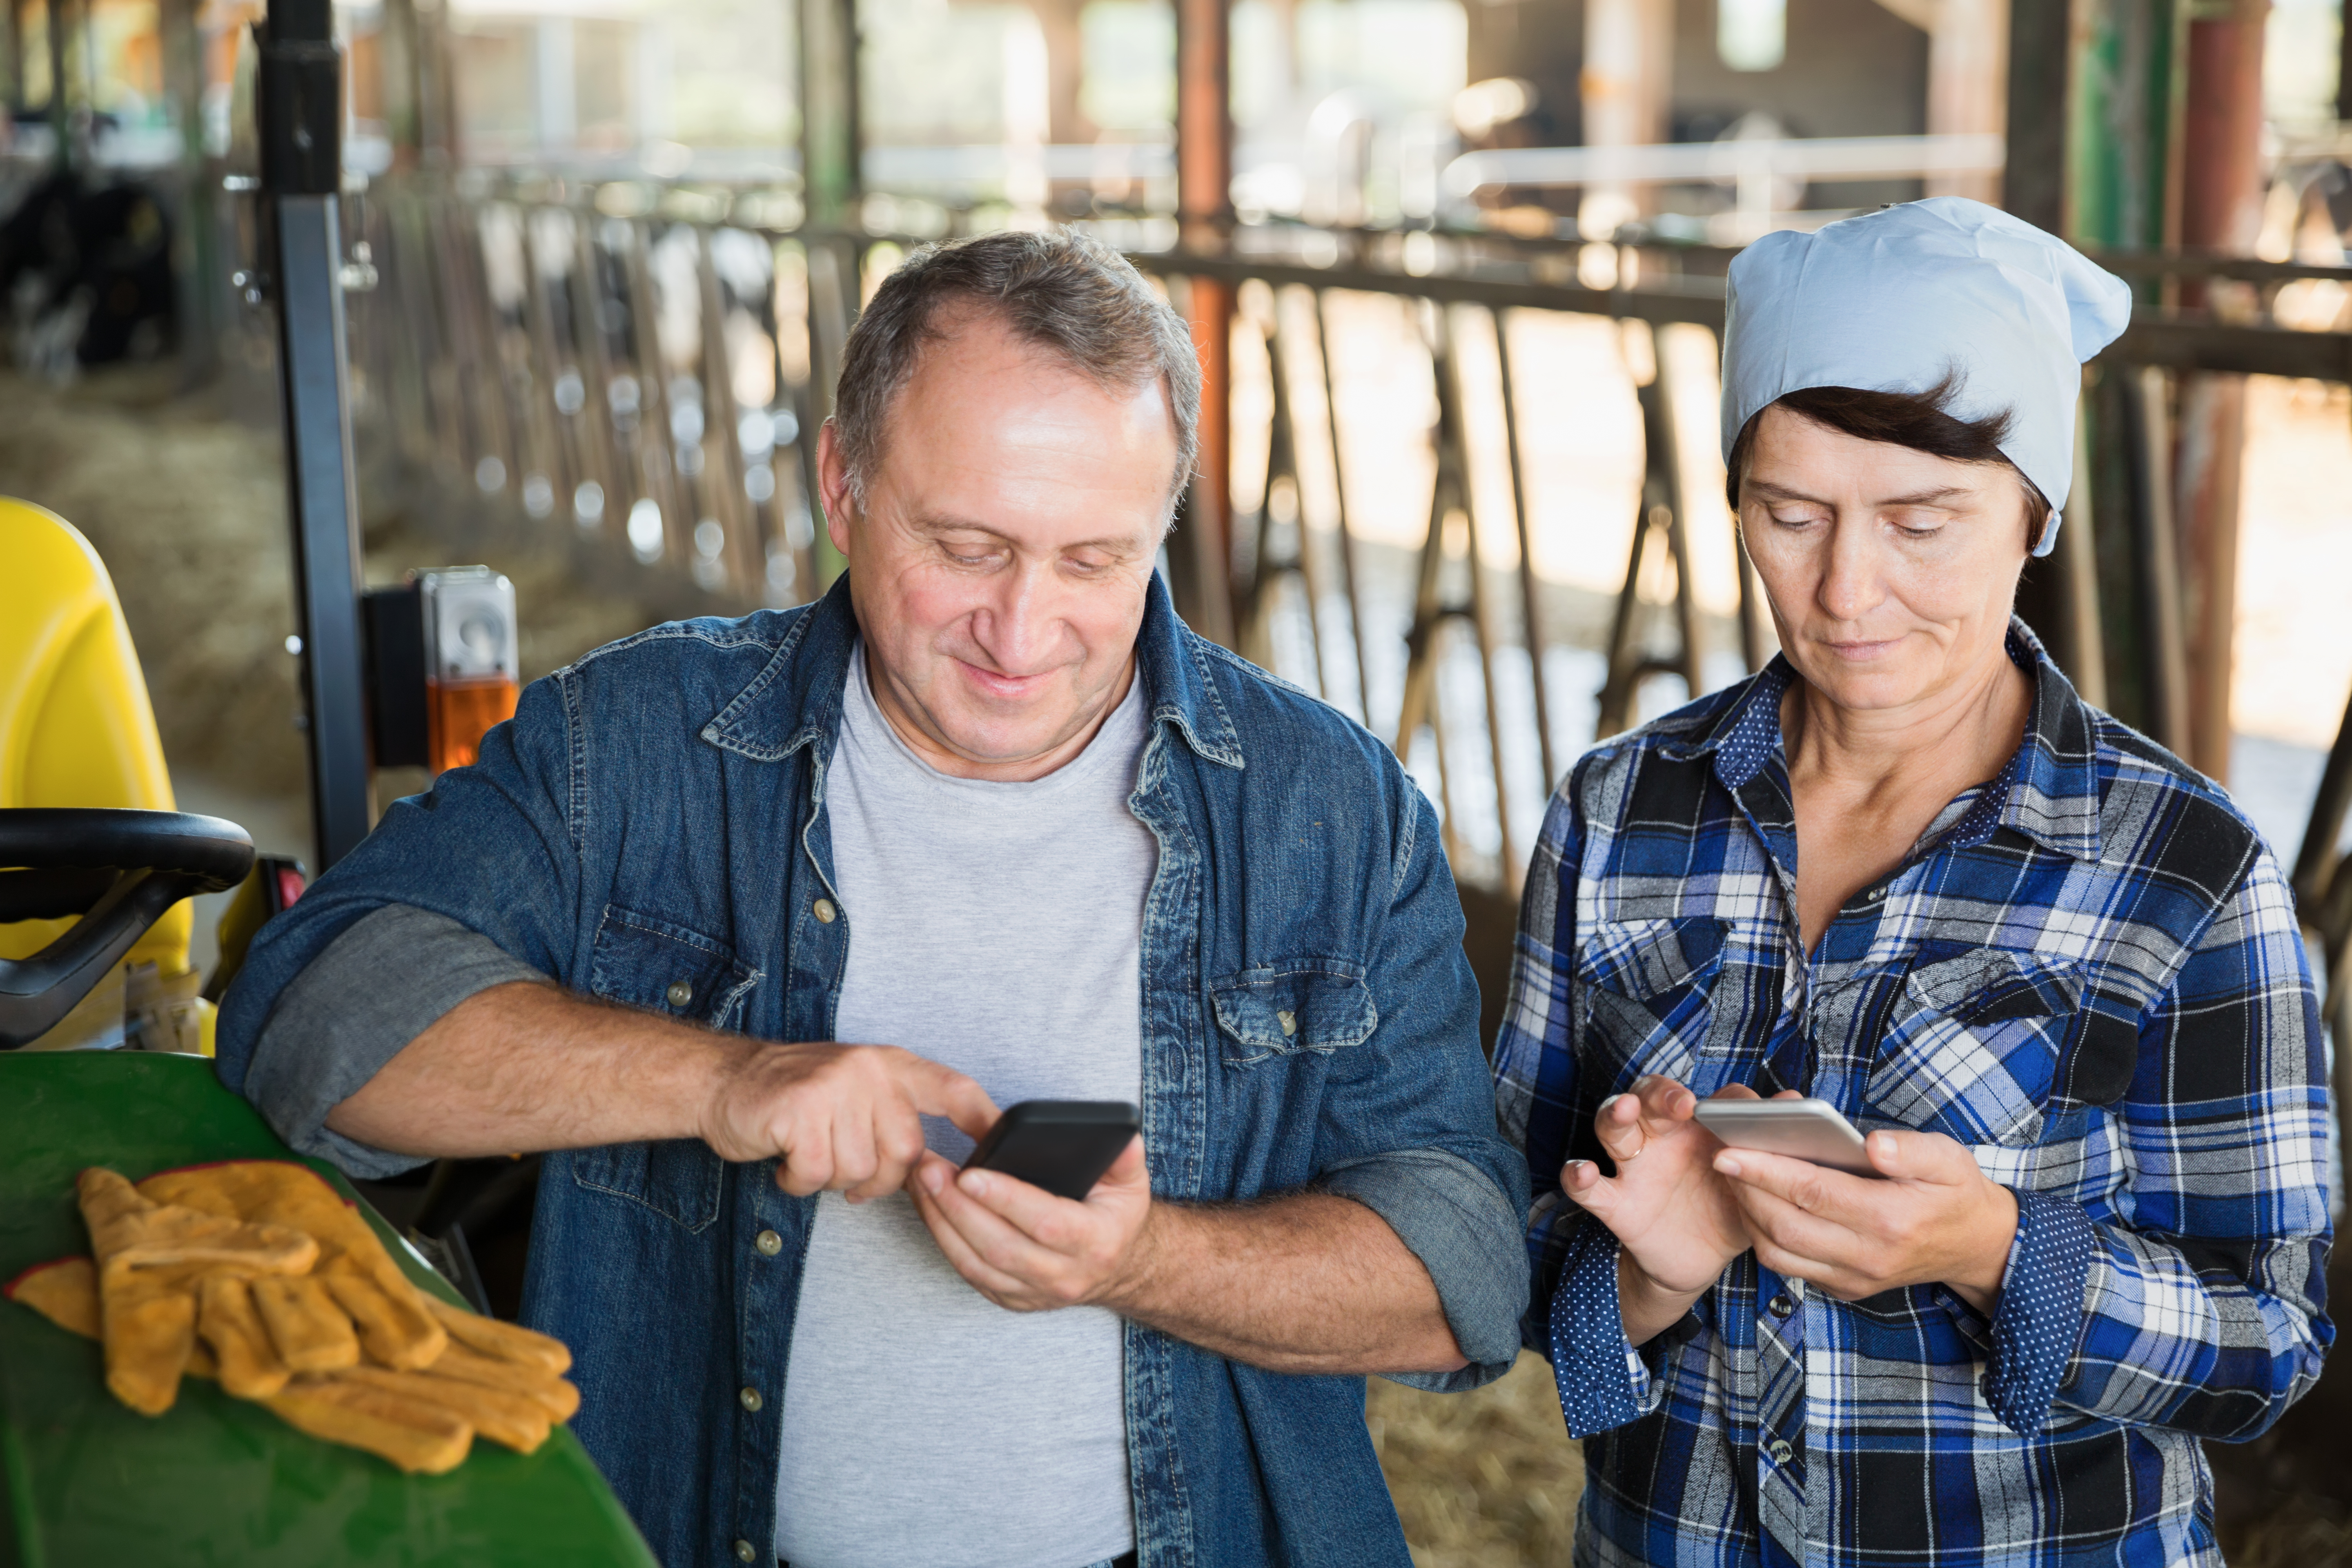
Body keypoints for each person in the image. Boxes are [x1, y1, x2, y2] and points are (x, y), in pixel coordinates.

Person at [217, 228, 1530, 1568]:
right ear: (843, 485)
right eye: (965, 548)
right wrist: (732, 1082)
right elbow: (308, 1023)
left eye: (1093, 562)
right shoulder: (635, 745)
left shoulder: (1328, 806)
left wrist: (1140, 1263)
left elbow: (1468, 1273)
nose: (1021, 635)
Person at [1493, 198, 2333, 1566]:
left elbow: (2270, 1347)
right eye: (1792, 513)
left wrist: (1996, 1247)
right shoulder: (1622, 813)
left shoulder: (2182, 870)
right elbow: (1500, 1250)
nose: (1846, 589)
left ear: (2034, 512)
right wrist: (1641, 1269)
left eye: (1924, 521)